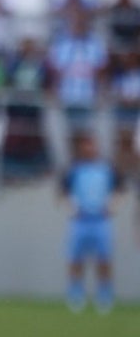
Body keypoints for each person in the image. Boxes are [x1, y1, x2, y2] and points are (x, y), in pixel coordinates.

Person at [59, 131, 124, 314]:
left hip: (101, 220)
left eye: (92, 145)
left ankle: (104, 293)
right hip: (80, 220)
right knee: (75, 258)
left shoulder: (107, 168)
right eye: (86, 145)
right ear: (81, 148)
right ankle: (75, 293)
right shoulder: (74, 169)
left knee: (104, 259)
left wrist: (112, 207)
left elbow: (120, 188)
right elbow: (63, 191)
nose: (89, 148)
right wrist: (71, 209)